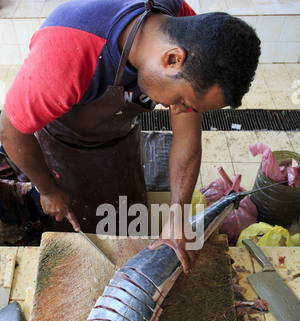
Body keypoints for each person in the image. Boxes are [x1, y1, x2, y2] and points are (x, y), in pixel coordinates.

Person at [0, 0, 260, 273]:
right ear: (172, 59)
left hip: (120, 138)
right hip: (65, 148)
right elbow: (10, 131)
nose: (182, 111)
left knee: (129, 215)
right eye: (183, 100)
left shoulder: (189, 34)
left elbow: (187, 140)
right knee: (81, 235)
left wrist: (177, 216)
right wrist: (49, 190)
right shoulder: (66, 54)